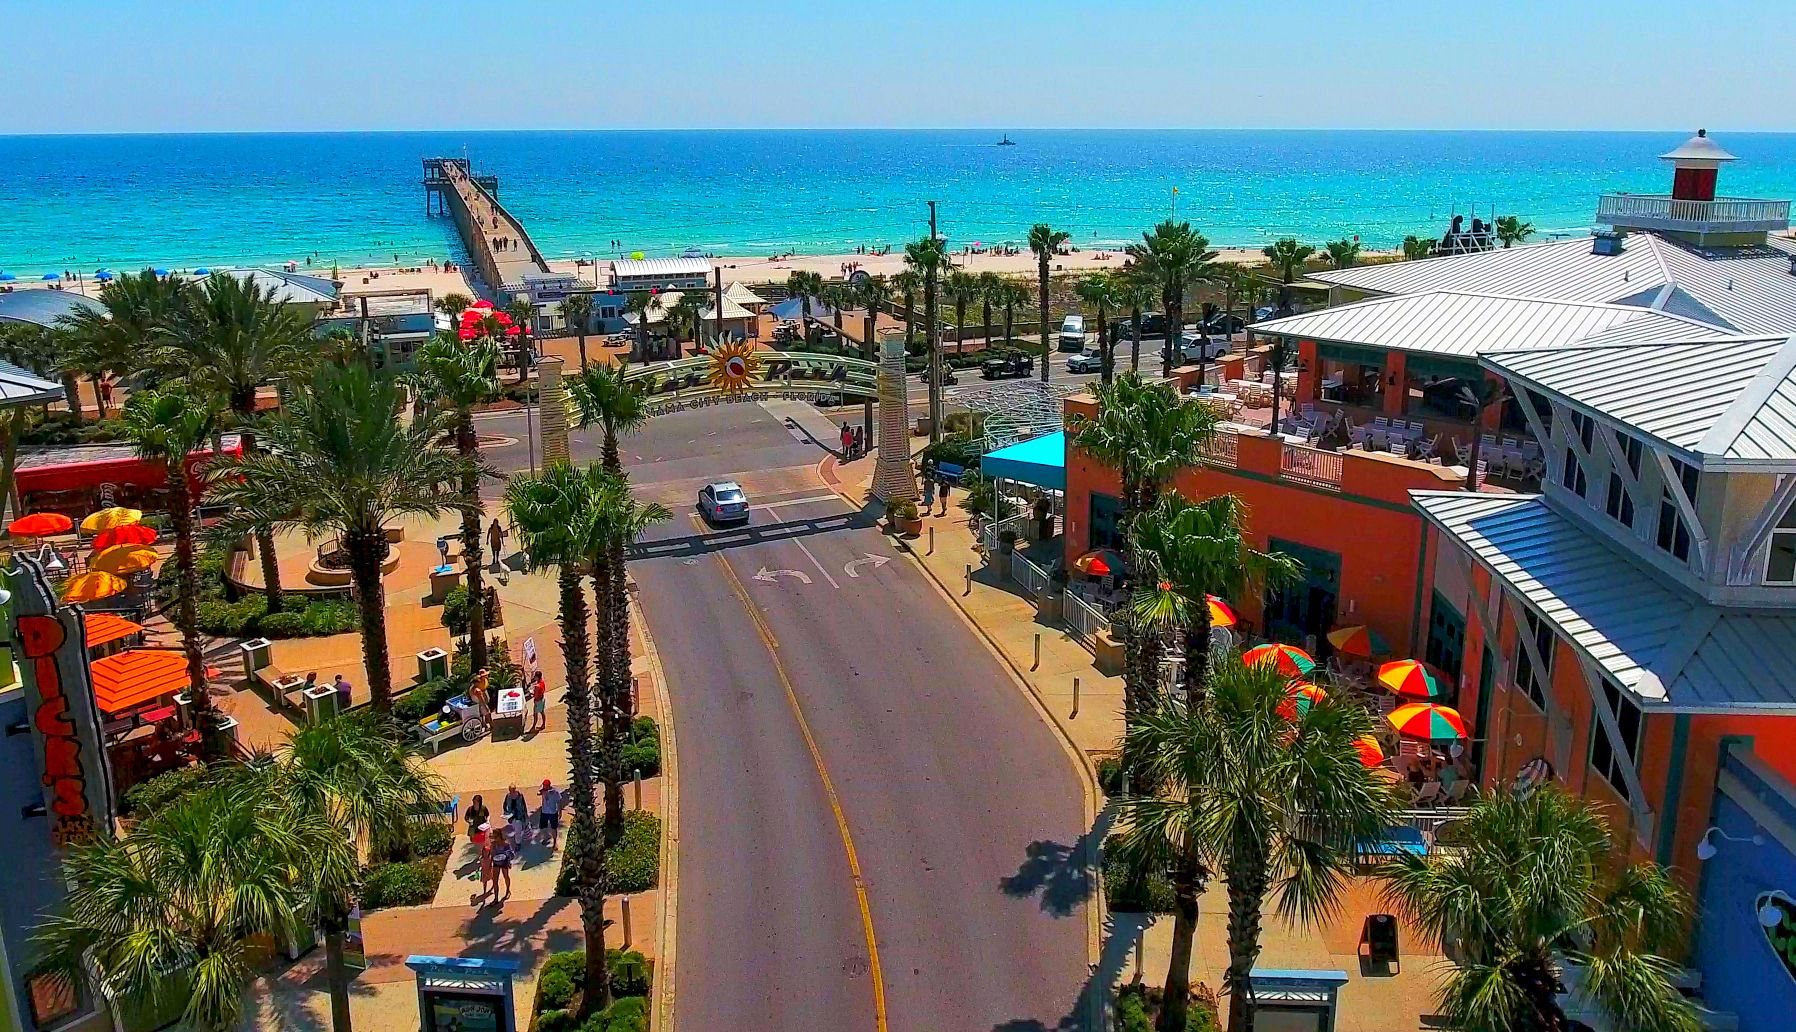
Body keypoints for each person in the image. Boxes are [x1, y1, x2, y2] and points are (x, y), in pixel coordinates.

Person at [537, 779, 564, 850]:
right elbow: (538, 793)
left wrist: (560, 811)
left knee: (553, 828)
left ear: (549, 785)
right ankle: (546, 838)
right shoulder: (543, 790)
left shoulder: (555, 792)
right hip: (544, 812)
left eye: (545, 786)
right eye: (543, 785)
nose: (544, 787)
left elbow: (559, 802)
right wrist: (543, 792)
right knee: (543, 827)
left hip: (553, 812)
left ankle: (555, 842)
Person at [476, 824, 498, 905]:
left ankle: (493, 887)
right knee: (484, 882)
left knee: (492, 878)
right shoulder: (482, 858)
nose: (485, 853)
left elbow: (491, 862)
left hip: (489, 870)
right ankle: (485, 891)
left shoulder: (490, 857)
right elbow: (480, 865)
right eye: (484, 852)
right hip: (483, 871)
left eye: (487, 852)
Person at [490, 826, 514, 900]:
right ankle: (496, 898)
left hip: (504, 862)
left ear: (499, 836)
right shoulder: (493, 844)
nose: (494, 839)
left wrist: (509, 860)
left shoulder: (506, 844)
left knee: (506, 877)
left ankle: (507, 890)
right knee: (495, 880)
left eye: (495, 837)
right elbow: (492, 854)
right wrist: (492, 848)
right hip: (496, 862)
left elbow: (511, 854)